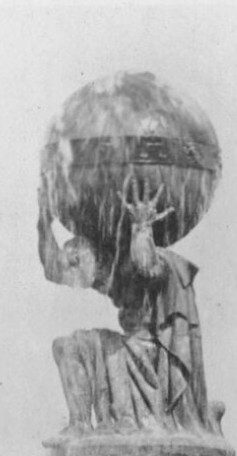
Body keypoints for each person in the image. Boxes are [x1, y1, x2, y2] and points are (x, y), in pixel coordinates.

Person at [41, 178, 217, 435]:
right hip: (130, 347)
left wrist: (142, 226)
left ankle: (127, 422)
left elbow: (148, 267)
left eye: (77, 263)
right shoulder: (106, 272)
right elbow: (53, 269)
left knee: (113, 351)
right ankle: (79, 424)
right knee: (65, 346)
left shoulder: (148, 263)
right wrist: (43, 221)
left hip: (153, 351)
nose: (88, 280)